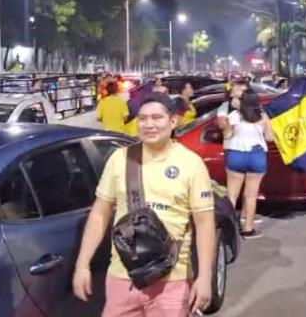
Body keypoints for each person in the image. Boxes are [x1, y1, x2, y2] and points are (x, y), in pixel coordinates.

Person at [73, 92, 217, 317]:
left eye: (157, 118)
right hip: (122, 278)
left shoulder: (191, 164)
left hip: (172, 281)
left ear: (172, 121)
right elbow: (100, 213)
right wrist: (83, 264)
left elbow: (205, 223)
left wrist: (205, 277)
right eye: (143, 118)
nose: (149, 124)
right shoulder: (119, 159)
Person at [222, 92, 274, 239]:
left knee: (232, 195)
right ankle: (248, 228)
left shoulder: (234, 116)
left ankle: (229, 230)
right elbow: (270, 138)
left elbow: (227, 135)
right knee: (251, 195)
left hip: (236, 154)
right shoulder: (263, 117)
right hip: (256, 155)